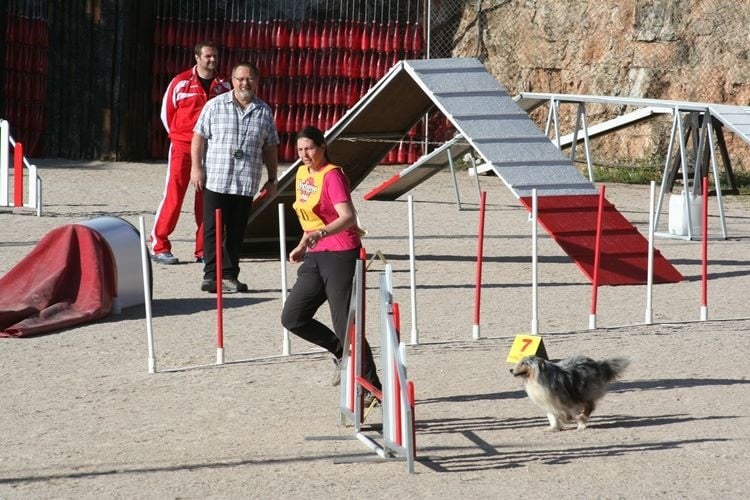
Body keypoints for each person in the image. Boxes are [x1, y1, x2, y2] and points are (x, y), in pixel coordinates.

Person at [281, 126, 382, 403]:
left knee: (345, 324)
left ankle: (373, 389)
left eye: (309, 149)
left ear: (322, 146)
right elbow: (309, 218)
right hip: (315, 254)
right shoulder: (302, 173)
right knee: (293, 317)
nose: (304, 155)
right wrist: (303, 244)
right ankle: (340, 353)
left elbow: (347, 216)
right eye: (300, 150)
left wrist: (322, 233)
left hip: (341, 253)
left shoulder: (332, 175)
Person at [190, 61, 279, 294]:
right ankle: (211, 275)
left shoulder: (264, 111)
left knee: (237, 231)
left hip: (245, 180)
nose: (244, 83)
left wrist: (272, 178)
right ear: (232, 80)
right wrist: (196, 168)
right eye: (240, 78)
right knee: (211, 228)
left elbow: (270, 147)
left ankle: (229, 275)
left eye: (249, 78)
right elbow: (198, 137)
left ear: (256, 81)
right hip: (217, 178)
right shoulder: (214, 105)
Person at [151, 41, 231, 265]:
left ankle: (203, 250)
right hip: (182, 147)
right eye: (208, 56)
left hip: (211, 149)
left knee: (205, 200)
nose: (212, 60)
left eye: (215, 56)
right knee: (174, 196)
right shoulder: (180, 82)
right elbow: (167, 114)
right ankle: (160, 245)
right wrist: (179, 137)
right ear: (197, 57)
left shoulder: (224, 84)